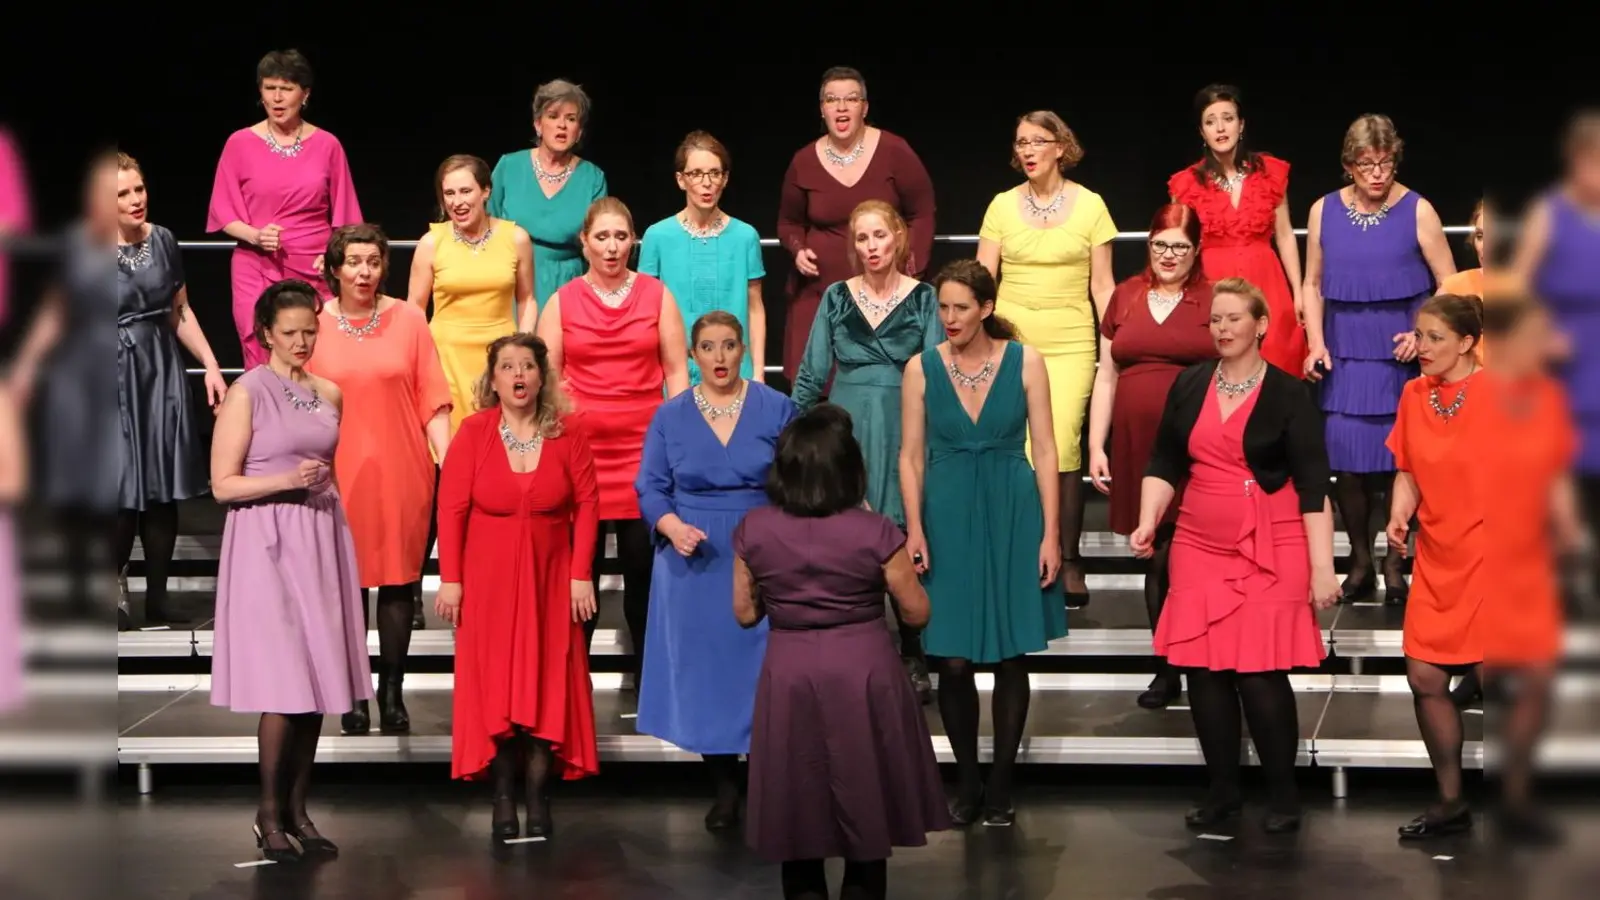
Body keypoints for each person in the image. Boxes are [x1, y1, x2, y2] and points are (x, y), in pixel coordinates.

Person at [1133, 277, 1338, 833]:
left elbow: (1314, 484)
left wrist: (1323, 568)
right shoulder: (1190, 384)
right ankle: (1222, 792)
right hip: (1199, 538)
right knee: (1203, 671)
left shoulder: (1289, 392)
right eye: (1215, 320)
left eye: (1233, 319)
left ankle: (1283, 797)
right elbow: (1164, 461)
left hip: (1272, 541)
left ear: (1261, 325)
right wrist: (1150, 520)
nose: (1222, 329)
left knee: (1259, 674)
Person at [735, 404, 948, 900]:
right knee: (865, 816)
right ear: (848, 467)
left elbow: (745, 613)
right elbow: (916, 613)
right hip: (862, 674)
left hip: (789, 675)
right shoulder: (875, 533)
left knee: (799, 821)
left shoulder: (755, 530)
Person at [209, 280, 372, 862]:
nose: (302, 341)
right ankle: (267, 814)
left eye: (310, 330)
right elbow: (223, 485)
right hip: (266, 539)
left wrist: (314, 487)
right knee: (283, 686)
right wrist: (284, 480)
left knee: (316, 684)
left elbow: (326, 462)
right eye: (290, 332)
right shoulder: (248, 390)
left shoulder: (330, 390)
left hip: (321, 534)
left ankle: (300, 812)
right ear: (266, 334)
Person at [900, 259, 1065, 826]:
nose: (949, 318)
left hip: (1011, 506)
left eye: (960, 308)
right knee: (950, 658)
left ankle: (1001, 781)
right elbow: (910, 454)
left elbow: (1045, 450)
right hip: (945, 510)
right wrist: (914, 527)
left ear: (987, 309)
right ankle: (966, 779)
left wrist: (1051, 533)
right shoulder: (921, 369)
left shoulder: (1027, 362)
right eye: (942, 307)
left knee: (1011, 653)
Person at [435, 333, 601, 842]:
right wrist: (451, 581)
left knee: (548, 685)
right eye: (507, 367)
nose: (519, 376)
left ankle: (538, 797)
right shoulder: (474, 431)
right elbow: (452, 508)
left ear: (541, 375)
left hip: (552, 583)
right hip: (489, 584)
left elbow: (589, 504)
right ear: (494, 379)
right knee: (497, 691)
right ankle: (503, 798)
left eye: (527, 366)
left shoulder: (568, 432)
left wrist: (579, 575)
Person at [635, 312, 797, 830]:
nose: (720, 357)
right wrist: (671, 526)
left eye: (729, 345)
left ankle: (767, 782)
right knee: (708, 676)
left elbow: (798, 483)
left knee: (762, 673)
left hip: (761, 554)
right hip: (695, 561)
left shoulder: (777, 408)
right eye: (708, 347)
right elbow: (650, 487)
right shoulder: (671, 415)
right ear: (693, 355)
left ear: (744, 349)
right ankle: (726, 789)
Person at [791, 199, 943, 701]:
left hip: (905, 426)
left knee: (901, 536)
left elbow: (939, 379)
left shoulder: (924, 300)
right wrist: (792, 444)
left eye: (880, 236)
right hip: (847, 433)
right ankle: (858, 652)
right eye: (862, 239)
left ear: (898, 237)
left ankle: (913, 653)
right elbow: (812, 376)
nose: (872, 247)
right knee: (849, 539)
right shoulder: (836, 297)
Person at [1301, 114, 1456, 606]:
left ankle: (1397, 560)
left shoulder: (1419, 210)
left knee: (1401, 463)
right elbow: (1311, 284)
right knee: (1347, 465)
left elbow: (1448, 284)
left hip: (1401, 357)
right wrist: (1316, 341)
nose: (1377, 173)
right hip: (1345, 352)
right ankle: (1360, 559)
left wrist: (1423, 335)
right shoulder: (1323, 211)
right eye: (1366, 164)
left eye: (1386, 163)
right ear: (1349, 165)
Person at [536, 197, 690, 687]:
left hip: (643, 459)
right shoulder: (561, 300)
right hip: (581, 460)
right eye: (601, 236)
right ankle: (571, 689)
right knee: (577, 577)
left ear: (633, 241)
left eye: (621, 236)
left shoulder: (657, 294)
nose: (611, 246)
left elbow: (676, 373)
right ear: (584, 242)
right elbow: (549, 380)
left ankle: (652, 687)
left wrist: (679, 445)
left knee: (644, 578)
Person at [305, 224, 452, 736]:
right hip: (334, 471)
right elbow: (294, 396)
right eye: (354, 262)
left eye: (373, 262)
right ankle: (353, 693)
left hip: (401, 466)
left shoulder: (409, 319)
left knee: (396, 581)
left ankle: (392, 692)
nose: (364, 272)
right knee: (344, 585)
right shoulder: (313, 324)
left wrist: (449, 461)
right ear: (335, 268)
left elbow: (432, 396)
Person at [977, 110, 1118, 610]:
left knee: (1061, 441)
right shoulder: (1000, 205)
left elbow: (1102, 284)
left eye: (1038, 141)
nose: (1028, 150)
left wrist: (1110, 341)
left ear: (1061, 146)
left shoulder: (1091, 206)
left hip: (1069, 338)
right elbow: (983, 278)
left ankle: (1069, 555)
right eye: (1020, 143)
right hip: (1013, 339)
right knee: (1016, 441)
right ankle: (1020, 551)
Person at [1086, 203, 1217, 709]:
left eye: (1179, 247)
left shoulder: (1212, 298)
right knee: (1156, 555)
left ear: (1196, 250)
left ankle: (1199, 659)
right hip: (1137, 445)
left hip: (1196, 445)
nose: (1168, 255)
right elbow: (1105, 374)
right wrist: (1097, 444)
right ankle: (1167, 665)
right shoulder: (1125, 296)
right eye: (1160, 244)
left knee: (1188, 557)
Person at [1384, 294, 1488, 839]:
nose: (1420, 347)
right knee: (1425, 673)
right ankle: (1451, 801)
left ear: (1468, 343)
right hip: (1439, 550)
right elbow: (1408, 466)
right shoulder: (1413, 395)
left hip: (1494, 551)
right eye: (1418, 336)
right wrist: (1400, 514)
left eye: (1434, 338)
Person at [1476, 298, 1579, 845]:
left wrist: (1571, 534)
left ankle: (1515, 795)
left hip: (1531, 558)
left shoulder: (1550, 399)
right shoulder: (1480, 398)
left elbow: (1557, 473)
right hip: (1481, 550)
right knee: (1487, 675)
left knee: (1539, 676)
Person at [113, 152, 228, 628]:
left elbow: (180, 312)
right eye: (122, 193)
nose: (136, 199)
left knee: (162, 490)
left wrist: (213, 365)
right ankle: (113, 588)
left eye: (139, 189)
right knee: (119, 489)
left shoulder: (162, 240)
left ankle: (157, 597)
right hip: (110, 373)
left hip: (160, 370)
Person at [205, 49, 363, 369]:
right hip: (256, 264)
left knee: (319, 358)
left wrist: (332, 255)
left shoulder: (328, 144)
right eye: (269, 88)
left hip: (314, 267)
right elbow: (223, 213)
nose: (277, 98)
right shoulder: (239, 143)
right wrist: (256, 235)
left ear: (304, 94)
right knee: (262, 355)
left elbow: (347, 220)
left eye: (286, 88)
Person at [777, 65, 935, 381]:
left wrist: (909, 271)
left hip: (885, 292)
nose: (841, 107)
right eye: (832, 100)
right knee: (817, 390)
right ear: (822, 110)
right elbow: (788, 222)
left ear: (864, 107)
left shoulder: (894, 151)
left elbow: (923, 213)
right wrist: (797, 249)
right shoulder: (804, 161)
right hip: (822, 293)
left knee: (881, 383)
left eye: (851, 99)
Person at [1167, 84, 1305, 374]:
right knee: (1220, 372)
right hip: (1213, 285)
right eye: (1210, 121)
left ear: (1241, 125)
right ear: (1201, 132)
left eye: (1227, 118)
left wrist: (1299, 291)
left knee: (1275, 366)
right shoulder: (1186, 184)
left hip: (1268, 284)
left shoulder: (1270, 172)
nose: (1220, 127)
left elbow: (1284, 235)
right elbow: (1179, 246)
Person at [407, 153, 537, 436]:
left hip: (500, 356)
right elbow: (415, 309)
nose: (457, 201)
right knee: (453, 450)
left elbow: (526, 300)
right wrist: (424, 363)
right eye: (449, 193)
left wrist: (521, 348)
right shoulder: (431, 243)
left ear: (486, 191)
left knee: (500, 444)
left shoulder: (516, 239)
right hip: (446, 359)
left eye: (466, 191)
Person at [639, 131, 767, 384]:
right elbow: (645, 313)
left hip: (735, 369)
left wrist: (759, 372)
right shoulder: (657, 236)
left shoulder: (745, 236)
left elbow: (755, 308)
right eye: (696, 174)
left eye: (714, 173)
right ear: (680, 180)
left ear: (725, 178)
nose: (706, 182)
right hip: (675, 372)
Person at [490, 78, 608, 317]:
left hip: (569, 287)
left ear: (580, 131)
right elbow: (486, 229)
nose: (562, 125)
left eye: (571, 119)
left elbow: (598, 242)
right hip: (513, 284)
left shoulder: (593, 178)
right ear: (538, 125)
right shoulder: (508, 166)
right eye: (553, 116)